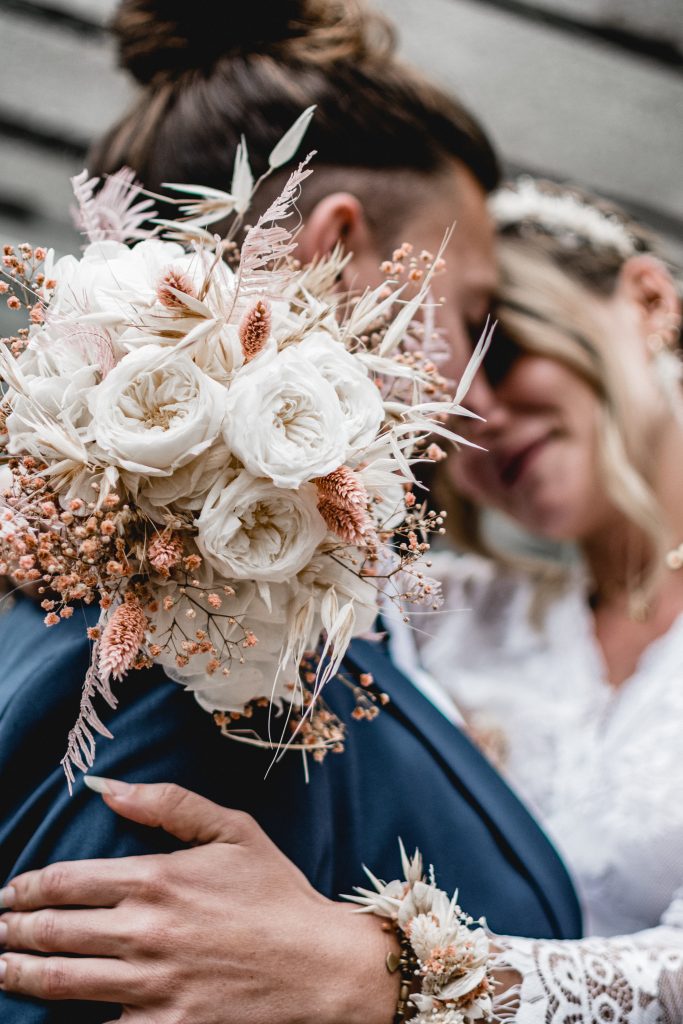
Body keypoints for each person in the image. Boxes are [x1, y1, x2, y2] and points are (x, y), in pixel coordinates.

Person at [0, 4, 582, 1022]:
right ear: (342, 245)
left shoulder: (89, 598)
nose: (480, 399)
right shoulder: (199, 661)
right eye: (470, 313)